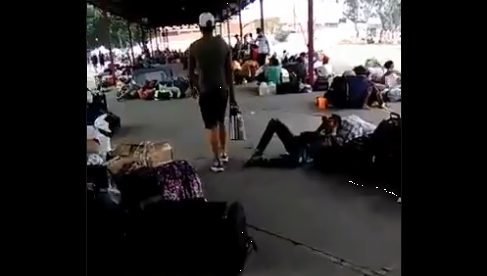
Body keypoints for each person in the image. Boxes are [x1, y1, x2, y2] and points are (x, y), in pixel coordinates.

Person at [189, 12, 237, 172]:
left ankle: (217, 161)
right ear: (214, 26)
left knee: (212, 125)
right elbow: (229, 71)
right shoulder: (223, 45)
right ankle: (224, 153)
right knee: (221, 121)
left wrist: (197, 86)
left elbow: (190, 74)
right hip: (222, 88)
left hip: (206, 90)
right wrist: (233, 96)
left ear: (200, 27)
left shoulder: (195, 47)